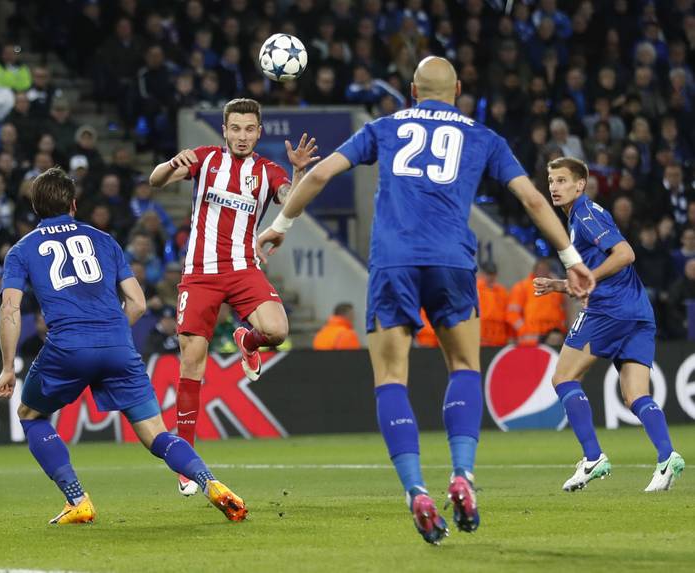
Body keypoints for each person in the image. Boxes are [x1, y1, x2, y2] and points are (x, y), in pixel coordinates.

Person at [256, 57, 594, 544]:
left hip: (393, 262)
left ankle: (415, 489)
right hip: (452, 264)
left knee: (391, 377)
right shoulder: (482, 137)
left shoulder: (384, 127)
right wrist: (569, 256)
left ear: (413, 89)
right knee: (463, 367)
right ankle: (462, 476)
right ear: (457, 88)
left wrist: (281, 226)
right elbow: (534, 200)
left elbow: (320, 174)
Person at [0, 167, 247, 525]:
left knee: (30, 414)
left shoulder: (21, 250)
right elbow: (139, 304)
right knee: (157, 435)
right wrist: (110, 333)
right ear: (74, 204)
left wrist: (7, 367)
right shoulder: (104, 239)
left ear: (35, 207)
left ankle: (77, 499)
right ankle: (211, 483)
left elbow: (9, 309)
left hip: (68, 348)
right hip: (117, 345)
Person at [148, 98, 319, 495]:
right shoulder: (205, 159)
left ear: (259, 133)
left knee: (277, 329)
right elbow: (156, 181)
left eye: (249, 129)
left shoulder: (267, 171)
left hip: (243, 269)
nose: (242, 136)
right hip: (200, 275)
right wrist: (172, 163)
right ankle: (186, 461)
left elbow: (289, 201)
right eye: (235, 128)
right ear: (224, 130)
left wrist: (298, 174)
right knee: (192, 363)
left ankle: (248, 338)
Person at [535, 157, 685, 491]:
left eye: (561, 181)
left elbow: (625, 254)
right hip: (637, 312)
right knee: (635, 395)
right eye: (551, 181)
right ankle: (667, 457)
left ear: (580, 185)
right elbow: (593, 272)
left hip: (610, 311)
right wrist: (560, 285)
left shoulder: (586, 216)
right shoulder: (582, 217)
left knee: (564, 377)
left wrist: (587, 278)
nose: (554, 188)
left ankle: (593, 457)